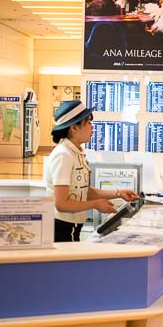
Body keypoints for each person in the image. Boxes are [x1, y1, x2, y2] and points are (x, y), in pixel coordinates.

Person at [44, 100, 138, 242]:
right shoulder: (63, 155)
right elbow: (61, 203)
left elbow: (84, 192)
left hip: (72, 227)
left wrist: (118, 193)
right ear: (74, 128)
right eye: (88, 122)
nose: (92, 127)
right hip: (60, 228)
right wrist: (95, 204)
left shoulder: (76, 153)